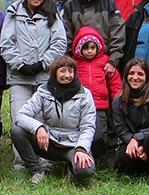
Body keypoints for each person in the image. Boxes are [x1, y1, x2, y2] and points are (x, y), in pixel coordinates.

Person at [1, 0, 67, 169]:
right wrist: (20, 65)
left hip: (44, 76)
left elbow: (59, 42)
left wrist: (43, 64)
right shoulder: (13, 12)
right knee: (20, 116)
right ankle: (22, 161)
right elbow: (6, 43)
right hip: (19, 76)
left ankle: (44, 160)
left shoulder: (52, 12)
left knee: (42, 118)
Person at [12, 55, 99, 186]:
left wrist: (81, 149)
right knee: (17, 131)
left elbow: (88, 127)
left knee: (85, 171)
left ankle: (72, 166)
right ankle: (37, 170)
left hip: (73, 144)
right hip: (49, 142)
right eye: (63, 71)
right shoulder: (43, 91)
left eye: (71, 71)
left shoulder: (85, 95)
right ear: (54, 73)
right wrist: (38, 128)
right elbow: (20, 116)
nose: (67, 75)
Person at [63, 0, 126, 76]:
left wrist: (113, 60)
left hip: (105, 61)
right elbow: (66, 34)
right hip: (78, 61)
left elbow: (117, 31)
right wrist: (69, 60)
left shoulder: (108, 3)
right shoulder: (70, 6)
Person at [71, 27, 122, 160]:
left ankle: (100, 158)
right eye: (86, 48)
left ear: (97, 47)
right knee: (81, 132)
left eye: (92, 47)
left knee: (99, 134)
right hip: (79, 106)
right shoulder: (74, 64)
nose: (89, 51)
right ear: (79, 48)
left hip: (100, 106)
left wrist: (118, 98)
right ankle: (82, 155)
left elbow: (115, 81)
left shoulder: (105, 62)